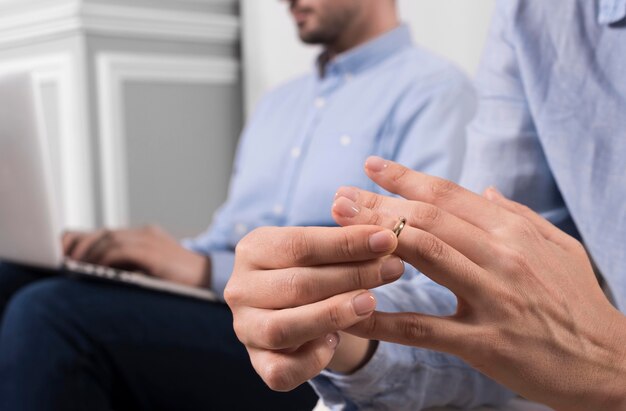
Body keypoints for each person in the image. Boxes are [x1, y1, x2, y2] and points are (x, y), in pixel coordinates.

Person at [0, 0, 477, 410]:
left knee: (47, 315)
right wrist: (159, 258)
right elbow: (231, 234)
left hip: (307, 339)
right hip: (226, 303)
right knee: (13, 279)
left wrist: (201, 268)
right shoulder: (278, 104)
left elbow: (410, 271)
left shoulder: (435, 92)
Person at [224, 0, 626, 410]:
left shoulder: (436, 88)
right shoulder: (537, 16)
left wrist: (614, 363)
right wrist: (337, 325)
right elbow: (493, 316)